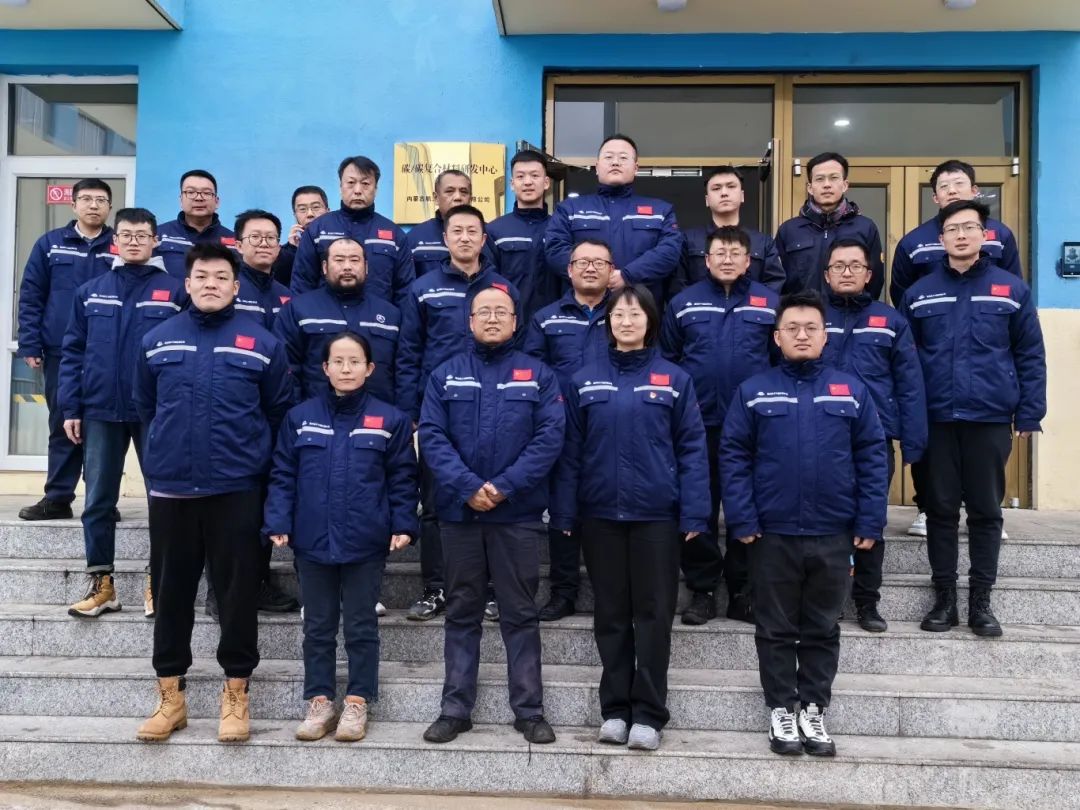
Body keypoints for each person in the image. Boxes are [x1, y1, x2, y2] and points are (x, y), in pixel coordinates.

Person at [133, 243, 292, 744]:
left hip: (236, 489)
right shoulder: (156, 340)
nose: (210, 284)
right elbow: (146, 408)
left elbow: (277, 411)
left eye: (221, 277)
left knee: (237, 595)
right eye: (201, 276)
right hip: (173, 491)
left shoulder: (262, 342)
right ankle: (170, 698)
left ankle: (236, 694)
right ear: (187, 283)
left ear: (236, 286)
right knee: (172, 594)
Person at [720, 290, 888, 758]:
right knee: (774, 628)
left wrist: (870, 520)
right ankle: (781, 708)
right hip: (772, 533)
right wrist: (742, 517)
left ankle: (813, 708)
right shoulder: (754, 391)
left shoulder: (850, 391)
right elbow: (733, 457)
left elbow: (873, 457)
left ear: (824, 335)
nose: (801, 335)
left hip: (833, 532)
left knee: (822, 627)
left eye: (810, 327)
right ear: (776, 337)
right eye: (791, 328)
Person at [551, 285, 710, 752]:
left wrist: (695, 510)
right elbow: (570, 454)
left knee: (654, 615)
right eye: (618, 313)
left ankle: (649, 714)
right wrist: (565, 509)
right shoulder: (584, 380)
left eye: (635, 313)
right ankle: (615, 710)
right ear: (608, 322)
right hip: (600, 515)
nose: (626, 321)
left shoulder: (674, 379)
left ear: (650, 322)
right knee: (611, 614)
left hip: (656, 517)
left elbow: (692, 450)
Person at [419, 285, 564, 745]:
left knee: (519, 612)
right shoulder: (446, 375)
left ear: (516, 321)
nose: (493, 318)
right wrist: (467, 487)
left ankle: (529, 711)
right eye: (484, 311)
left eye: (502, 311)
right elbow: (432, 437)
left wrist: (504, 487)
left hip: (516, 514)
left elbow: (549, 437)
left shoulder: (538, 375)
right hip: (460, 514)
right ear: (470, 321)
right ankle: (455, 709)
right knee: (462, 610)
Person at [901, 200, 1046, 639]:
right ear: (941, 238)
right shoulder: (920, 293)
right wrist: (909, 417)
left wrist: (1030, 410)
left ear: (985, 235)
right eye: (953, 229)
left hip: (989, 416)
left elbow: (1029, 353)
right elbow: (905, 363)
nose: (961, 235)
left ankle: (981, 600)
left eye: (970, 227)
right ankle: (944, 597)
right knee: (940, 509)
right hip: (936, 418)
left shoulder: (1010, 290)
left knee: (985, 510)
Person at [264, 332, 418, 743]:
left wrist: (404, 524)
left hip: (365, 540)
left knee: (361, 625)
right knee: (317, 626)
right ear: (325, 368)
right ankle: (319, 701)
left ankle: (357, 700)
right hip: (312, 538)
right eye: (338, 361)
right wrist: (278, 519)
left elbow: (403, 478)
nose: (346, 369)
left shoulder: (390, 420)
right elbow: (283, 473)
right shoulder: (300, 418)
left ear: (369, 368)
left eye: (355, 362)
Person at [59, 208, 185, 619]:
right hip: (99, 409)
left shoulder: (175, 291)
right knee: (97, 499)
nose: (134, 241)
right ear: (115, 241)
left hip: (155, 412)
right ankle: (102, 583)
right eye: (126, 235)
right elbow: (73, 352)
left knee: (161, 499)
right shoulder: (91, 291)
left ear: (155, 241)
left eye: (142, 235)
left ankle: (157, 581)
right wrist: (71, 406)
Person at [890, 159, 1023, 540]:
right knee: (932, 442)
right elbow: (903, 296)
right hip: (935, 356)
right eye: (944, 186)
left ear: (975, 190)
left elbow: (1013, 291)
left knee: (985, 448)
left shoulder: (1000, 236)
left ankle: (986, 510)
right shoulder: (915, 241)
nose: (952, 190)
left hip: (985, 359)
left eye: (959, 183)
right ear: (934, 197)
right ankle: (926, 507)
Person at [398, 204, 519, 622]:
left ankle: (490, 591)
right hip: (440, 411)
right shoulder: (423, 288)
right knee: (435, 503)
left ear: (484, 240)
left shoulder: (503, 288)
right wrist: (411, 411)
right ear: (445, 239)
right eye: (457, 231)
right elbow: (409, 352)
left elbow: (516, 347)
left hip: (496, 410)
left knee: (490, 497)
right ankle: (435, 588)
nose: (465, 238)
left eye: (473, 231)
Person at [660, 225, 780, 626]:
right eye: (719, 253)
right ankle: (703, 590)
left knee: (750, 504)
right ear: (706, 260)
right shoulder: (683, 303)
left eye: (735, 253)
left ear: (749, 261)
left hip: (754, 425)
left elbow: (780, 362)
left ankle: (742, 590)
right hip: (699, 423)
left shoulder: (770, 303)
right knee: (699, 507)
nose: (727, 259)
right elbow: (668, 359)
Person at [821, 239, 927, 633]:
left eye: (855, 266)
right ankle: (830, 600)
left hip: (874, 439)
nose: (847, 272)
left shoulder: (891, 321)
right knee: (829, 522)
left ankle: (867, 601)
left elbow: (910, 384)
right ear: (826, 274)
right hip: (819, 437)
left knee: (870, 518)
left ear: (869, 274)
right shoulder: (811, 317)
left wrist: (914, 442)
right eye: (838, 266)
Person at [523, 239, 613, 622]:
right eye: (583, 262)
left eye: (599, 262)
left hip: (612, 429)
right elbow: (533, 372)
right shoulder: (546, 318)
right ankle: (563, 593)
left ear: (611, 271)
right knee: (562, 511)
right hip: (561, 429)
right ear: (569, 270)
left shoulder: (626, 314)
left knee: (607, 511)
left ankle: (610, 593)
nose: (591, 268)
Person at [16, 178, 116, 521]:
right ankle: (58, 497)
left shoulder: (118, 246)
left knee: (103, 426)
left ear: (109, 207)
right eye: (86, 199)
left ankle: (101, 500)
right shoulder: (50, 244)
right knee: (63, 423)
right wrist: (30, 341)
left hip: (107, 353)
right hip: (62, 351)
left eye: (101, 200)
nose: (93, 205)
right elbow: (32, 295)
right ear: (73, 205)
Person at [545, 134, 683, 308]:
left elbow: (670, 251)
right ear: (597, 167)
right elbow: (555, 248)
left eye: (623, 158)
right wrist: (597, 276)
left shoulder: (660, 211)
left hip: (639, 312)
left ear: (636, 168)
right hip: (583, 311)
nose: (615, 162)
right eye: (609, 157)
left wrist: (628, 275)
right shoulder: (570, 209)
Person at [275, 237, 401, 405]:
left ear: (366, 267)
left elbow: (404, 368)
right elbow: (286, 368)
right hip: (316, 415)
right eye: (339, 260)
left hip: (378, 416)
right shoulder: (298, 309)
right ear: (324, 267)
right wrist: (298, 413)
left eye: (354, 260)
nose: (347, 266)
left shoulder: (390, 314)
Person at [290, 156, 413, 305]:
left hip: (378, 317)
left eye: (365, 184)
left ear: (376, 189)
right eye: (351, 183)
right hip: (326, 317)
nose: (357, 190)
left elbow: (405, 290)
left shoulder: (394, 234)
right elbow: (302, 283)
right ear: (340, 187)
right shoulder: (318, 230)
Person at [775, 152, 884, 299]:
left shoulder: (865, 227)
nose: (827, 185)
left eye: (834, 178)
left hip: (851, 311)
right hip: (803, 311)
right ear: (810, 187)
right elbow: (779, 281)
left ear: (845, 185)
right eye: (819, 179)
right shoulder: (789, 230)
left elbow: (875, 281)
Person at [671, 166, 785, 295]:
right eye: (716, 188)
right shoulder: (687, 240)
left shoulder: (763, 242)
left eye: (731, 186)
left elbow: (773, 285)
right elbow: (678, 286)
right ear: (707, 200)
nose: (724, 193)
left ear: (742, 196)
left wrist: (749, 305)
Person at [488, 150, 555, 320]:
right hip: (511, 323)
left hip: (554, 323)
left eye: (534, 175)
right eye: (520, 176)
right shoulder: (495, 231)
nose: (527, 182)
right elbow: (489, 282)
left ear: (546, 182)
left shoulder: (559, 228)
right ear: (512, 184)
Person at [405, 170, 494, 277]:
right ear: (436, 198)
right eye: (450, 191)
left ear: (470, 198)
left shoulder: (488, 234)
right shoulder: (416, 237)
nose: (458, 197)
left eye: (464, 192)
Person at [155, 170, 236, 280]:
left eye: (206, 193)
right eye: (191, 192)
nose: (199, 198)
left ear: (217, 202)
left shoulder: (234, 242)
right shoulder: (159, 235)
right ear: (181, 200)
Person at [233, 209, 294, 332]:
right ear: (239, 246)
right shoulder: (228, 289)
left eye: (271, 237)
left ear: (278, 248)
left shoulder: (286, 295)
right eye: (255, 237)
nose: (264, 244)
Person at [273, 185, 328, 287]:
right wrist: (292, 250)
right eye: (302, 209)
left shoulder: (342, 244)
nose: (310, 214)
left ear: (328, 211)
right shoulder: (285, 253)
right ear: (295, 216)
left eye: (316, 207)